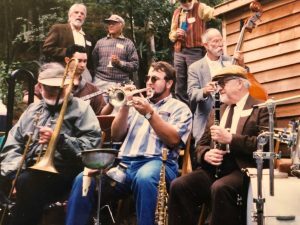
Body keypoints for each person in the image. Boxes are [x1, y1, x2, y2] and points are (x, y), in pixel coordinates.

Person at [65, 61, 192, 225]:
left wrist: (150, 114)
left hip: (157, 163)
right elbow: (116, 136)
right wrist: (124, 107)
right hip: (124, 165)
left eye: (155, 78)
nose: (149, 82)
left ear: (169, 83)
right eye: (147, 78)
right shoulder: (134, 106)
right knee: (84, 178)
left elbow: (174, 139)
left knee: (145, 178)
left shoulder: (179, 108)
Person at [0, 63, 101, 225]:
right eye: (49, 88)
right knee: (22, 180)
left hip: (64, 171)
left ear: (68, 86)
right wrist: (13, 174)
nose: (55, 92)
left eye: (59, 88)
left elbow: (92, 149)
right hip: (26, 169)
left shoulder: (82, 109)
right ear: (39, 87)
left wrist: (59, 140)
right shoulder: (32, 109)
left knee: (27, 183)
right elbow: (13, 144)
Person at [168, 65, 269, 225]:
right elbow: (200, 145)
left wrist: (231, 138)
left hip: (243, 169)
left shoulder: (261, 108)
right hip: (214, 170)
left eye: (222, 83)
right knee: (179, 185)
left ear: (239, 83)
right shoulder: (218, 109)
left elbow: (265, 144)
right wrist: (206, 153)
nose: (218, 88)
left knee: (220, 188)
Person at [188, 28, 245, 145]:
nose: (220, 45)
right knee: (204, 155)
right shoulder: (195, 67)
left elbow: (246, 84)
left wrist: (242, 65)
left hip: (230, 117)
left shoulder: (231, 62)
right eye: (215, 41)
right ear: (206, 45)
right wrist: (205, 90)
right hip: (205, 122)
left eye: (221, 41)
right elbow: (192, 94)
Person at [26, 44, 114, 115]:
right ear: (67, 60)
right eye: (79, 61)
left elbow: (102, 113)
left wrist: (112, 103)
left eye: (85, 61)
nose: (83, 65)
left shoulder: (92, 89)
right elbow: (27, 97)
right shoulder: (54, 81)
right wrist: (46, 109)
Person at [169, 0, 214, 104]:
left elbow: (213, 13)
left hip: (195, 51)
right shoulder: (177, 12)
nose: (184, 5)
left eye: (186, 2)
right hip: (179, 51)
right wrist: (176, 33)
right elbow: (171, 35)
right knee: (180, 85)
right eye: (182, 3)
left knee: (195, 81)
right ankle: (184, 110)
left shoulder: (200, 7)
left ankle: (198, 110)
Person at [42, 3, 93, 82]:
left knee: (89, 82)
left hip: (81, 70)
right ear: (70, 15)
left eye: (82, 13)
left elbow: (89, 57)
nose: (79, 15)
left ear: (84, 17)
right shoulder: (59, 28)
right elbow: (47, 48)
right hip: (62, 68)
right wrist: (67, 51)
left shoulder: (87, 36)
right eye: (76, 12)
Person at [92, 14, 139, 94]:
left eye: (113, 23)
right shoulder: (100, 42)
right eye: (109, 23)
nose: (110, 25)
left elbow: (135, 65)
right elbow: (93, 61)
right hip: (101, 83)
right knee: (100, 106)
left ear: (121, 25)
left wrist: (120, 63)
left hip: (121, 85)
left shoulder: (128, 43)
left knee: (120, 107)